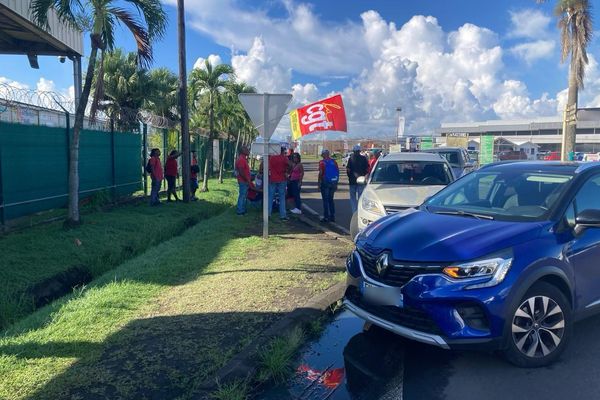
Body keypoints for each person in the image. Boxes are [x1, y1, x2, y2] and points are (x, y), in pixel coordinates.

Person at [269, 146, 291, 221]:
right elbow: (290, 165)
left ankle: (268, 214)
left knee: (270, 197)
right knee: (282, 198)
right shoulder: (284, 158)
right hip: (282, 179)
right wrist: (287, 172)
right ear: (282, 151)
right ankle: (282, 215)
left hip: (273, 179)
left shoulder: (272, 158)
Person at [347, 144, 369, 213]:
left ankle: (354, 211)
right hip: (361, 180)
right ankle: (360, 211)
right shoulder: (363, 158)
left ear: (353, 151)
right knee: (361, 197)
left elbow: (348, 169)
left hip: (352, 181)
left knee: (353, 198)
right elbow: (367, 168)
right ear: (359, 151)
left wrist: (349, 176)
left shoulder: (351, 158)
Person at [318, 149, 339, 222]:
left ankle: (326, 216)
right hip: (333, 182)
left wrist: (319, 183)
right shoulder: (334, 162)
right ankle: (332, 216)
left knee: (325, 200)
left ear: (324, 155)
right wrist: (336, 183)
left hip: (325, 182)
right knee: (331, 199)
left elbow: (321, 173)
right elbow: (337, 172)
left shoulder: (322, 162)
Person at [235, 146, 253, 215]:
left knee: (244, 195)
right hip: (243, 181)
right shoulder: (241, 160)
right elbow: (241, 171)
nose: (248, 151)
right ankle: (240, 211)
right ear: (243, 151)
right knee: (242, 195)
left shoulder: (243, 159)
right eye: (247, 150)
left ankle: (242, 209)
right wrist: (246, 179)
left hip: (244, 180)